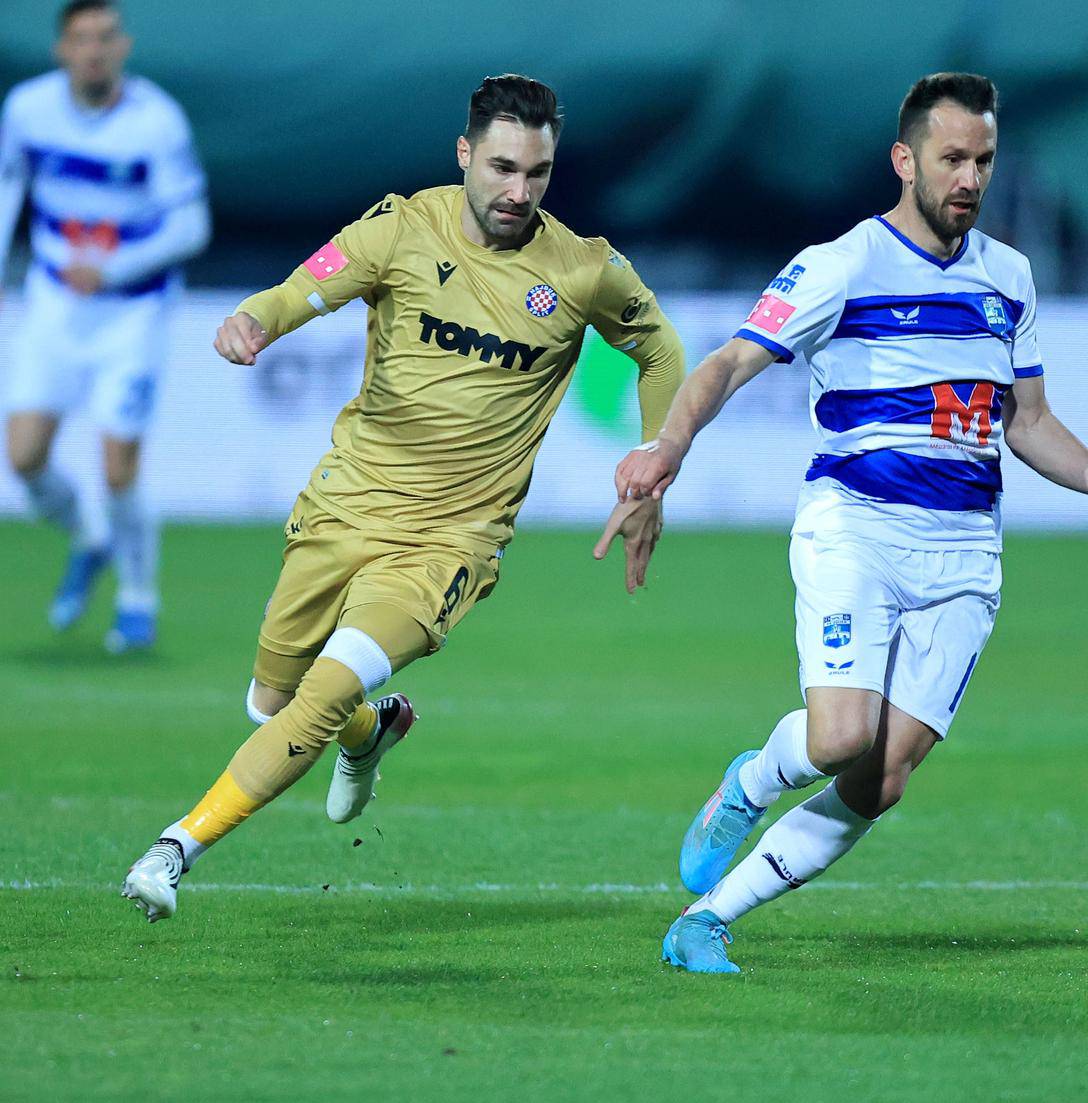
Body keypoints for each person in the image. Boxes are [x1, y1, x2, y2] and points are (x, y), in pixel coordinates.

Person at [610, 72, 1088, 973]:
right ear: (904, 160)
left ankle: (708, 920)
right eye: (953, 157)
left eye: (985, 159)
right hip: (857, 530)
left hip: (964, 557)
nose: (970, 177)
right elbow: (725, 363)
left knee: (880, 777)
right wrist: (669, 445)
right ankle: (750, 781)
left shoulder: (1009, 277)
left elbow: (1025, 421)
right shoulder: (841, 264)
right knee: (839, 737)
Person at [119, 74, 681, 922]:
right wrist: (256, 321)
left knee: (317, 693)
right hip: (347, 506)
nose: (517, 192)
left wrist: (653, 462)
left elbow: (662, 350)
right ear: (464, 155)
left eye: (537, 173)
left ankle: (174, 848)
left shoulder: (583, 268)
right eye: (500, 168)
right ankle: (369, 733)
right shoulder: (399, 229)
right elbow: (304, 286)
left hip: (449, 543)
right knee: (270, 699)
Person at [0, 0, 210, 651]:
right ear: (62, 48)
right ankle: (91, 535)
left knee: (119, 465)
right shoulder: (29, 108)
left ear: (124, 46)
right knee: (25, 457)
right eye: (82, 38)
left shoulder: (157, 121)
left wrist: (116, 267)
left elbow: (190, 225)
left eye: (106, 37)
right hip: (55, 303)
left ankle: (138, 600)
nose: (95, 49)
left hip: (133, 310)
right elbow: (10, 187)